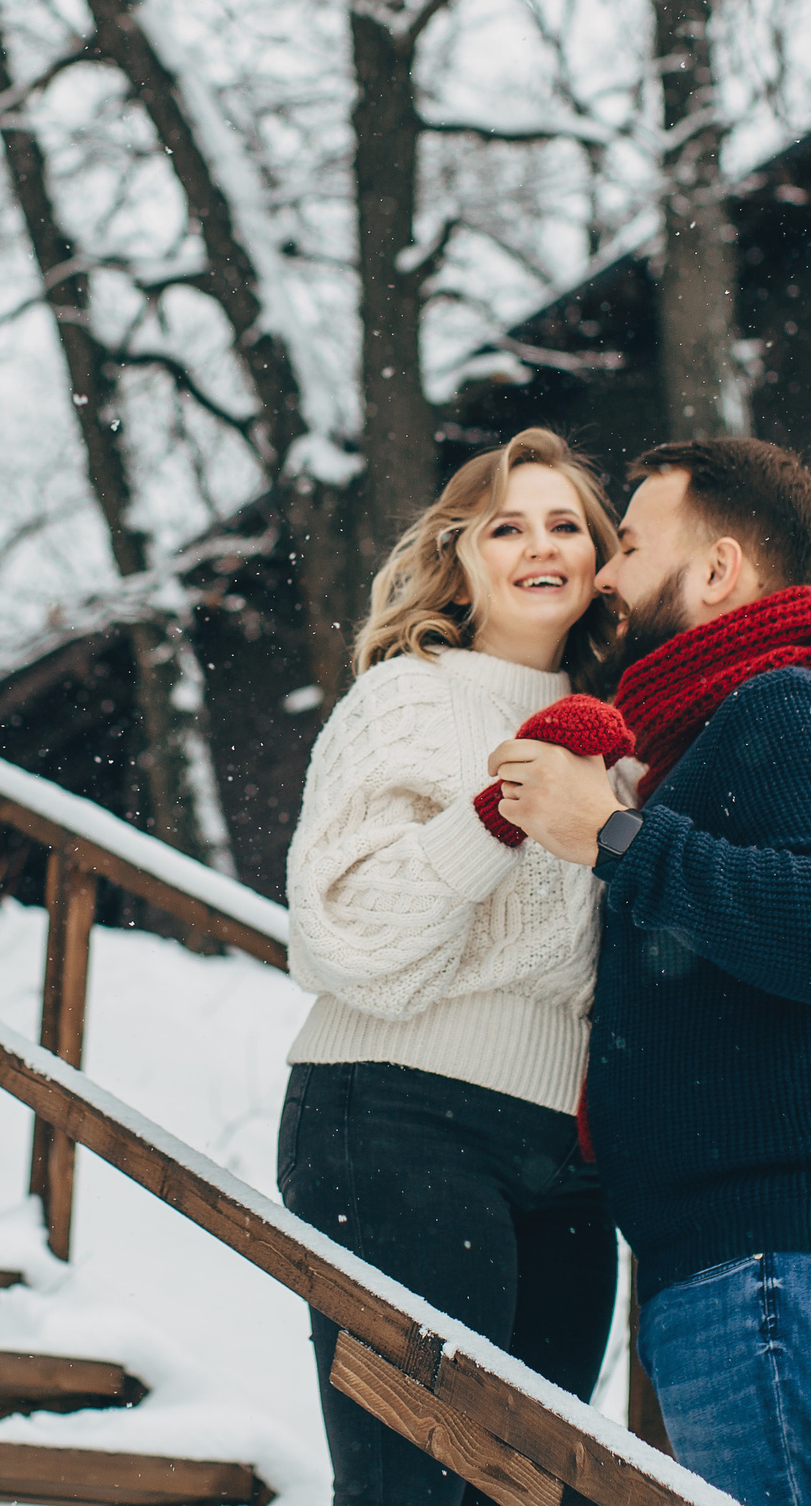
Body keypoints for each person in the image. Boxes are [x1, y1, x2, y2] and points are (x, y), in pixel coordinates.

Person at [490, 436, 811, 1506]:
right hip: (809, 1261)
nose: (606, 577)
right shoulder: (722, 732)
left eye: (629, 546)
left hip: (796, 1264)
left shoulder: (780, 707)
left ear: (719, 572)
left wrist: (616, 842)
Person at [278, 427, 626, 1506]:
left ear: (600, 556)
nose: (540, 546)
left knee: (534, 1494)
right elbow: (342, 936)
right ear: (459, 558)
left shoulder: (628, 730)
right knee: (412, 1491)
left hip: (569, 1152)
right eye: (507, 526)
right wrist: (497, 813)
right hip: (394, 1118)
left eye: (565, 524)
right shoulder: (404, 700)